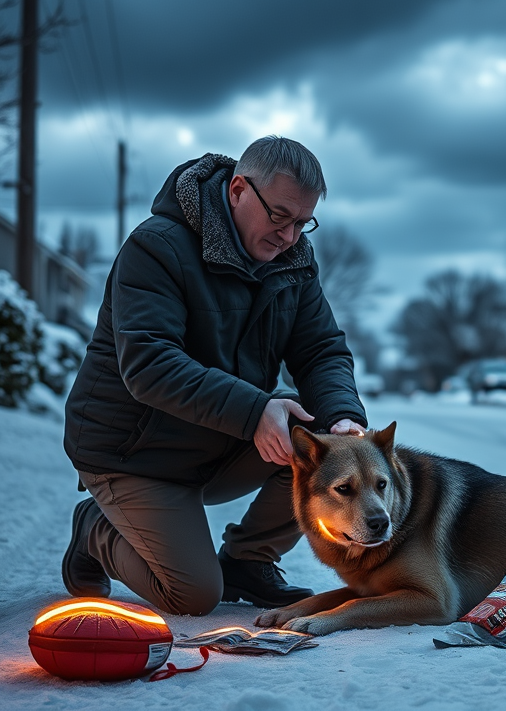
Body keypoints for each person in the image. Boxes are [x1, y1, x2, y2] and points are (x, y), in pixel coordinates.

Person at [61, 136, 367, 616]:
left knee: (325, 446)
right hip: (133, 453)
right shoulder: (156, 247)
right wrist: (254, 411)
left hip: (214, 442)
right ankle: (93, 529)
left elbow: (320, 350)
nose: (290, 236)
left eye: (303, 223)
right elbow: (150, 364)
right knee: (194, 595)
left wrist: (344, 418)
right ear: (239, 190)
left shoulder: (294, 263)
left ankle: (249, 560)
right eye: (280, 216)